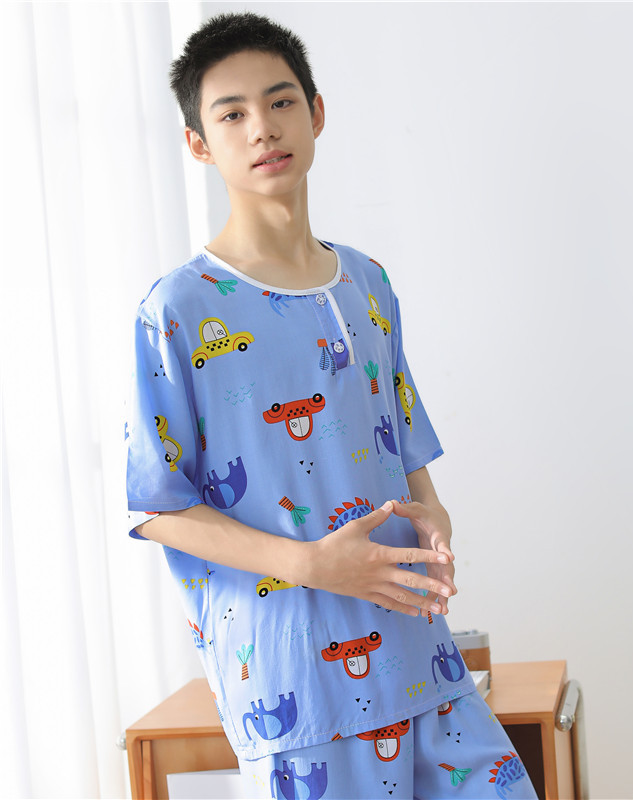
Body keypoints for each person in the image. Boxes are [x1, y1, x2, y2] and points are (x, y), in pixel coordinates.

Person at [125, 11, 537, 799]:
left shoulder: (366, 282)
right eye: (232, 114)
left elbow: (401, 440)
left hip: (418, 649)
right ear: (199, 144)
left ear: (316, 112)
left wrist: (433, 513)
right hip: (299, 685)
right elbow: (157, 506)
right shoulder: (176, 310)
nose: (262, 128)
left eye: (280, 102)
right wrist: (311, 565)